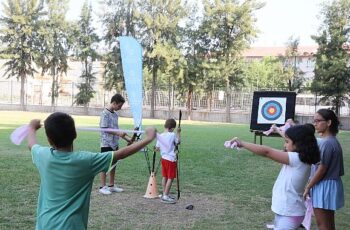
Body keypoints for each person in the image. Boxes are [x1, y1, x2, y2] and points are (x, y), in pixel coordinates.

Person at [27, 112, 156, 229]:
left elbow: (31, 144)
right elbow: (120, 154)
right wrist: (148, 138)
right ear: (75, 134)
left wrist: (32, 128)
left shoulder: (43, 155)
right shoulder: (86, 161)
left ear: (49, 140)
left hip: (45, 224)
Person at [227, 124, 320, 230]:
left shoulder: (297, 159)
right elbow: (271, 152)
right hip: (288, 211)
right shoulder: (300, 158)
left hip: (289, 213)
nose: (285, 145)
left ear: (298, 144)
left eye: (287, 142)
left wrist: (242, 143)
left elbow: (267, 152)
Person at [303, 109, 344, 230]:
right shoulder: (332, 141)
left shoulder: (327, 143)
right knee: (329, 224)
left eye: (318, 121)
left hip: (324, 186)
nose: (315, 124)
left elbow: (322, 169)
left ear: (329, 122)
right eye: (314, 121)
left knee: (323, 225)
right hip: (330, 185)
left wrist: (308, 186)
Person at [99, 93, 130, 195]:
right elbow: (104, 128)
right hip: (106, 143)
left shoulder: (115, 114)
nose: (120, 108)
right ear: (114, 103)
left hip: (114, 143)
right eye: (119, 106)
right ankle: (102, 186)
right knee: (104, 164)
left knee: (114, 164)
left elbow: (116, 129)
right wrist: (118, 133)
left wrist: (126, 138)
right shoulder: (105, 113)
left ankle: (111, 185)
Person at [155, 118, 181, 204]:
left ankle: (165, 193)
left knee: (165, 176)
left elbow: (157, 148)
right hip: (170, 159)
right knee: (170, 178)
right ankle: (165, 195)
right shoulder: (173, 135)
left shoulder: (160, 135)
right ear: (172, 128)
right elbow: (178, 142)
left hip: (163, 158)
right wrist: (178, 132)